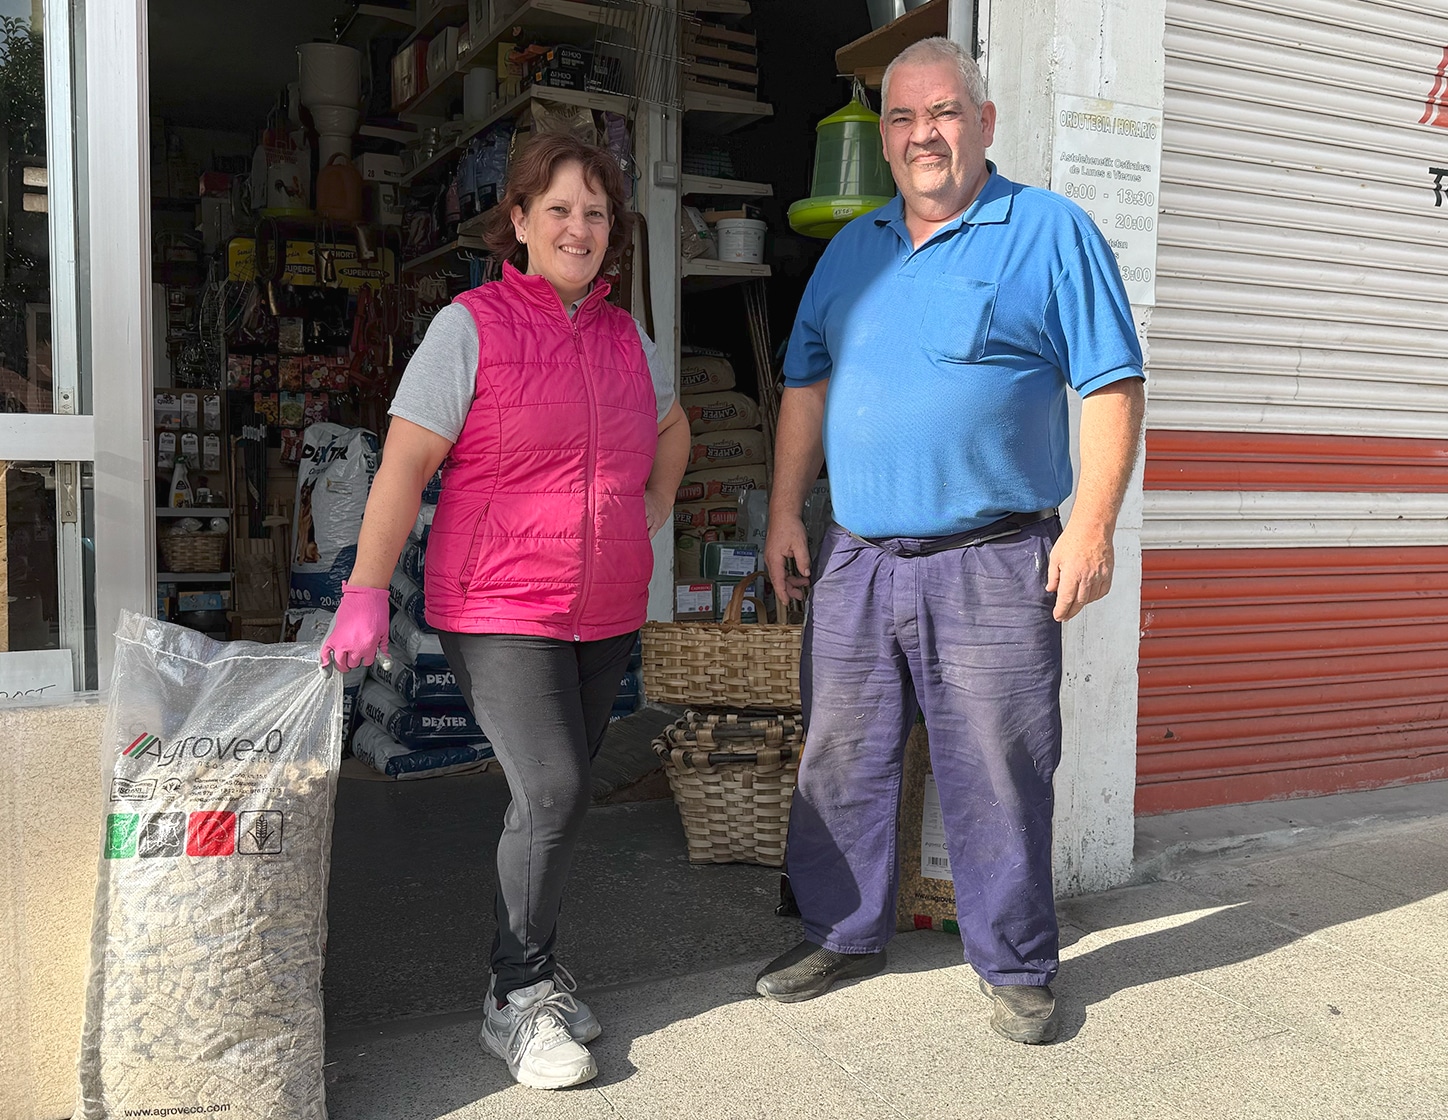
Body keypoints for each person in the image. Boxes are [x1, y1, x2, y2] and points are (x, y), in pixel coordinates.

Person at [755, 37, 1146, 1046]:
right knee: (839, 756)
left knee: (999, 767)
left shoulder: (1048, 231)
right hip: (856, 557)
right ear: (883, 137)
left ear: (983, 122)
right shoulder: (852, 250)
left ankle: (1014, 962)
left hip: (993, 559)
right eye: (902, 117)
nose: (922, 133)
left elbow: (1111, 382)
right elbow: (805, 386)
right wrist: (785, 511)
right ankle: (840, 932)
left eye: (942, 113)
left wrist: (1092, 524)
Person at [320, 133, 689, 1088]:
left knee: (555, 800)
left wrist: (652, 502)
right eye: (558, 209)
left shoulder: (627, 338)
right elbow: (405, 460)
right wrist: (365, 589)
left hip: (604, 608)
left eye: (596, 213)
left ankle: (536, 969)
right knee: (556, 790)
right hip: (498, 603)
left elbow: (673, 424)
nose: (579, 228)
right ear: (518, 220)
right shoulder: (469, 327)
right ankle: (516, 993)